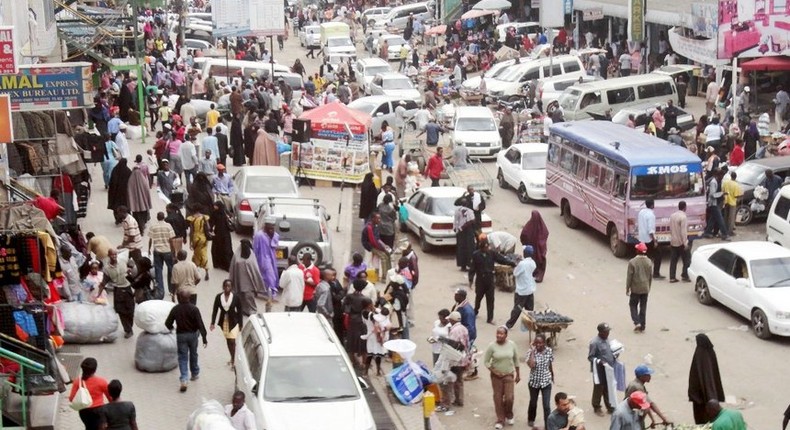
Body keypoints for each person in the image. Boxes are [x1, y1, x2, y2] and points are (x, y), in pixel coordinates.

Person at [165, 289, 208, 393]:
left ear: (179, 298)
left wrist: (171, 329)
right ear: (189, 298)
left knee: (183, 357)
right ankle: (194, 373)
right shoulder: (194, 309)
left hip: (181, 336)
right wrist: (204, 338)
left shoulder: (175, 309)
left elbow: (167, 323)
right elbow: (200, 324)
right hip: (193, 335)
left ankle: (184, 379)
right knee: (193, 354)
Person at [470, 240, 516, 325]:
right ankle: (475, 311)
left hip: (490, 279)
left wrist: (511, 263)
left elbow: (501, 259)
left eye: (488, 247)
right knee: (478, 297)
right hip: (480, 280)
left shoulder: (492, 253)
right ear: (482, 248)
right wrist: (470, 280)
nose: (488, 248)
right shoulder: (476, 255)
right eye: (486, 247)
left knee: (490, 299)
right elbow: (472, 268)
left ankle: (490, 318)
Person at [484, 326, 520, 429]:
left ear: (506, 335)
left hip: (509, 374)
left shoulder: (512, 345)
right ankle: (500, 419)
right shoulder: (492, 346)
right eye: (497, 333)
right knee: (498, 398)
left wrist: (518, 374)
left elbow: (516, 360)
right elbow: (486, 362)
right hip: (496, 377)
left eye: (501, 333)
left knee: (509, 398)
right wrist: (494, 371)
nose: (499, 335)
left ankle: (509, 413)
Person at [96, 249, 135, 338]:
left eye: (115, 254)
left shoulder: (123, 261)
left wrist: (130, 269)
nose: (114, 256)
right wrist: (98, 295)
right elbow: (103, 282)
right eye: (112, 255)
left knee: (130, 310)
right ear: (109, 256)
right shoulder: (107, 269)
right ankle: (128, 330)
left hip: (127, 288)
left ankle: (129, 326)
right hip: (118, 290)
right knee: (121, 311)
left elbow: (131, 263)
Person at [688, 333, 725, 424]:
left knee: (702, 416)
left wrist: (708, 395)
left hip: (701, 396)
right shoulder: (710, 352)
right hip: (705, 394)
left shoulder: (701, 354)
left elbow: (704, 377)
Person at [437, 310, 469, 411]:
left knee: (447, 381)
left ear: (452, 320)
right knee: (459, 380)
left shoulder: (454, 331)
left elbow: (451, 346)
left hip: (454, 360)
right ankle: (459, 400)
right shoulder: (464, 328)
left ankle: (446, 404)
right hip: (463, 359)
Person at [69, 357, 109, 430]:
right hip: (99, 411)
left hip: (84, 411)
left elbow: (71, 398)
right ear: (95, 370)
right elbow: (110, 398)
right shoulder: (101, 382)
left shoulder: (78, 382)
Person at [229, 239, 267, 316]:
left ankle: (253, 311)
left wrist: (258, 282)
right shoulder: (236, 255)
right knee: (241, 296)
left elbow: (255, 269)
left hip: (249, 282)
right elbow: (232, 268)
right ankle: (244, 310)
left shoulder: (251, 256)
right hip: (239, 280)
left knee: (248, 296)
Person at [210, 280, 242, 366]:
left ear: (231, 287)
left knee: (232, 340)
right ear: (223, 287)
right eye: (226, 286)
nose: (227, 288)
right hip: (224, 321)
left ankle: (233, 361)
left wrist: (241, 324)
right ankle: (232, 358)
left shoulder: (235, 297)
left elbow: (240, 311)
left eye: (229, 286)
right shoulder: (218, 297)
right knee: (228, 340)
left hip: (234, 322)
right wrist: (212, 322)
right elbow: (215, 310)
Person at [505, 245, 537, 329]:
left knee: (517, 309)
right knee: (530, 309)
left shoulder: (522, 264)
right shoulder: (533, 263)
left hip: (522, 290)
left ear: (524, 253)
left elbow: (515, 273)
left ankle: (509, 325)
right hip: (530, 288)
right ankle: (529, 325)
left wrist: (517, 265)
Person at [526, 333, 554, 430]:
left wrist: (552, 374)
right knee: (533, 403)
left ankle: (548, 425)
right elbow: (531, 365)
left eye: (540, 343)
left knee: (546, 406)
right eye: (536, 343)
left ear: (544, 343)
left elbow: (550, 363)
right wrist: (533, 351)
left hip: (546, 382)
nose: (538, 345)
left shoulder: (549, 351)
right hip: (534, 383)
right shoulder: (530, 352)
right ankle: (531, 418)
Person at [344, 280, 373, 369]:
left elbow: (345, 309)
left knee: (351, 342)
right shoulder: (366, 299)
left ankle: (354, 362)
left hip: (352, 321)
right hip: (362, 322)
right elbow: (370, 311)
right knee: (364, 343)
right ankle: (365, 363)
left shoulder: (349, 297)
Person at [588, 322, 616, 416]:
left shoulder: (607, 339)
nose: (608, 333)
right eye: (606, 332)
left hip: (608, 369)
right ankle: (596, 406)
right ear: (600, 332)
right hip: (599, 370)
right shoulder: (594, 343)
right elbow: (590, 357)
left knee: (608, 388)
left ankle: (610, 407)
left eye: (608, 331)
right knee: (599, 388)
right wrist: (599, 361)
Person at [148, 211, 176, 300]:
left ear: (157, 217)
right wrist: (173, 251)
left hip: (157, 251)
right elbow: (171, 240)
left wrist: (149, 249)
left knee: (158, 270)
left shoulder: (153, 226)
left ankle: (160, 291)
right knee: (170, 269)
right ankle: (171, 290)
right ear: (164, 217)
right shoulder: (168, 226)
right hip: (167, 251)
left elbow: (150, 239)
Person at [627, 242, 652, 332]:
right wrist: (648, 287)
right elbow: (650, 276)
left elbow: (629, 276)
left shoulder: (632, 262)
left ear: (637, 251)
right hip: (645, 288)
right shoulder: (649, 262)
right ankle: (643, 325)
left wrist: (627, 288)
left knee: (633, 305)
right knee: (643, 306)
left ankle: (637, 322)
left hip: (635, 288)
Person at [253, 217, 280, 299]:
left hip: (271, 257)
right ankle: (271, 292)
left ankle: (268, 291)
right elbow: (255, 248)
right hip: (262, 257)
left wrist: (271, 236)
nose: (272, 229)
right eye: (270, 227)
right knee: (269, 275)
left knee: (272, 274)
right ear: (266, 226)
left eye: (273, 227)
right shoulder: (259, 235)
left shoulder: (275, 235)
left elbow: (274, 244)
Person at [519, 210, 549, 282]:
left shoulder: (541, 227)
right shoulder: (530, 225)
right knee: (532, 260)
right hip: (533, 248)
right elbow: (524, 235)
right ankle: (532, 274)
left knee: (540, 259)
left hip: (539, 248)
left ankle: (539, 276)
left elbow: (545, 234)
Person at [637, 200, 663, 279]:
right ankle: (656, 273)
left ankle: (642, 273)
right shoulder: (651, 215)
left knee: (644, 256)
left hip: (641, 238)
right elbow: (650, 230)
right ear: (652, 205)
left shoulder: (641, 212)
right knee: (658, 254)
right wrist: (655, 241)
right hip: (648, 239)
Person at [702, 170, 730, 241]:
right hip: (713, 203)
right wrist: (722, 193)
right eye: (722, 176)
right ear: (718, 175)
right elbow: (712, 195)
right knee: (720, 219)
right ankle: (725, 234)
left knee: (713, 219)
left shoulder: (717, 181)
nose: (722, 178)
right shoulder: (713, 182)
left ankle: (707, 232)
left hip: (716, 203)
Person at [362, 212, 392, 278]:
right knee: (383, 257)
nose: (379, 220)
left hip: (374, 244)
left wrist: (384, 245)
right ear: (373, 219)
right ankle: (384, 277)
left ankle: (385, 273)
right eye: (377, 218)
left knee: (387, 255)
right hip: (369, 245)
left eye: (379, 218)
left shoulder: (376, 226)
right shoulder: (369, 228)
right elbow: (373, 241)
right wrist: (382, 248)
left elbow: (377, 238)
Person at [669, 201, 691, 283]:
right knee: (687, 259)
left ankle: (672, 277)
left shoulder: (672, 216)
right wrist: (685, 243)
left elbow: (670, 228)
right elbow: (683, 232)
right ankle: (685, 275)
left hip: (673, 241)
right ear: (685, 207)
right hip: (681, 242)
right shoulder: (683, 217)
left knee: (673, 260)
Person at [186, 210, 211, 280]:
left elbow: (191, 232)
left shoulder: (192, 218)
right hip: (203, 239)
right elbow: (208, 228)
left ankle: (195, 272)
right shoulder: (204, 217)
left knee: (196, 255)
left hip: (196, 239)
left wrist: (190, 242)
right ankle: (206, 271)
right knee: (204, 254)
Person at [209, 202, 234, 271]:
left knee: (225, 249)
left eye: (215, 206)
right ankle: (222, 264)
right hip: (221, 234)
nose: (214, 207)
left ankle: (226, 265)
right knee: (221, 248)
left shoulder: (223, 213)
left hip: (222, 234)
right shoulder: (216, 213)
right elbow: (211, 222)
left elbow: (211, 222)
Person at [454, 196, 476, 271]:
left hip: (460, 231)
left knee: (461, 248)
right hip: (468, 231)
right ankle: (469, 265)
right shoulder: (470, 211)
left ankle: (462, 265)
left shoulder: (457, 210)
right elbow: (472, 221)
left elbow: (455, 221)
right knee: (470, 248)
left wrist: (456, 229)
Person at [722, 171, 742, 237]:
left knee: (725, 217)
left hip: (726, 201)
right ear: (735, 177)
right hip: (732, 203)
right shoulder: (736, 185)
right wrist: (741, 196)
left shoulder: (726, 182)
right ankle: (730, 232)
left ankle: (724, 230)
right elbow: (736, 195)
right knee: (731, 218)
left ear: (731, 176)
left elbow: (723, 190)